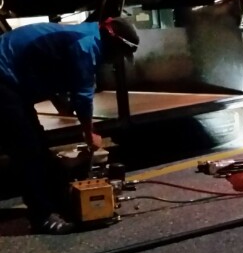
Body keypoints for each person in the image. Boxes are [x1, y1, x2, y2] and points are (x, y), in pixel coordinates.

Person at [0, 16, 139, 234]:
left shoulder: (88, 34)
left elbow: (48, 65)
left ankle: (58, 203)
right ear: (114, 42)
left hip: (13, 78)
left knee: (38, 145)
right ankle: (42, 217)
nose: (115, 61)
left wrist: (61, 102)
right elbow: (83, 97)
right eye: (119, 54)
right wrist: (89, 133)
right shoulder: (86, 46)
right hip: (4, 77)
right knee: (27, 149)